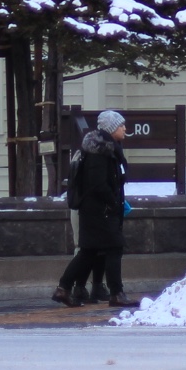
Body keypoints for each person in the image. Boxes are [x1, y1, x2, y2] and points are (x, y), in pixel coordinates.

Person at [56, 110, 134, 309]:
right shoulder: (99, 151)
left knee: (89, 252)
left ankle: (64, 288)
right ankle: (116, 293)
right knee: (114, 247)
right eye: (120, 125)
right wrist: (113, 203)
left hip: (98, 209)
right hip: (99, 210)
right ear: (110, 128)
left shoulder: (109, 148)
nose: (125, 128)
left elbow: (114, 178)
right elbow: (98, 184)